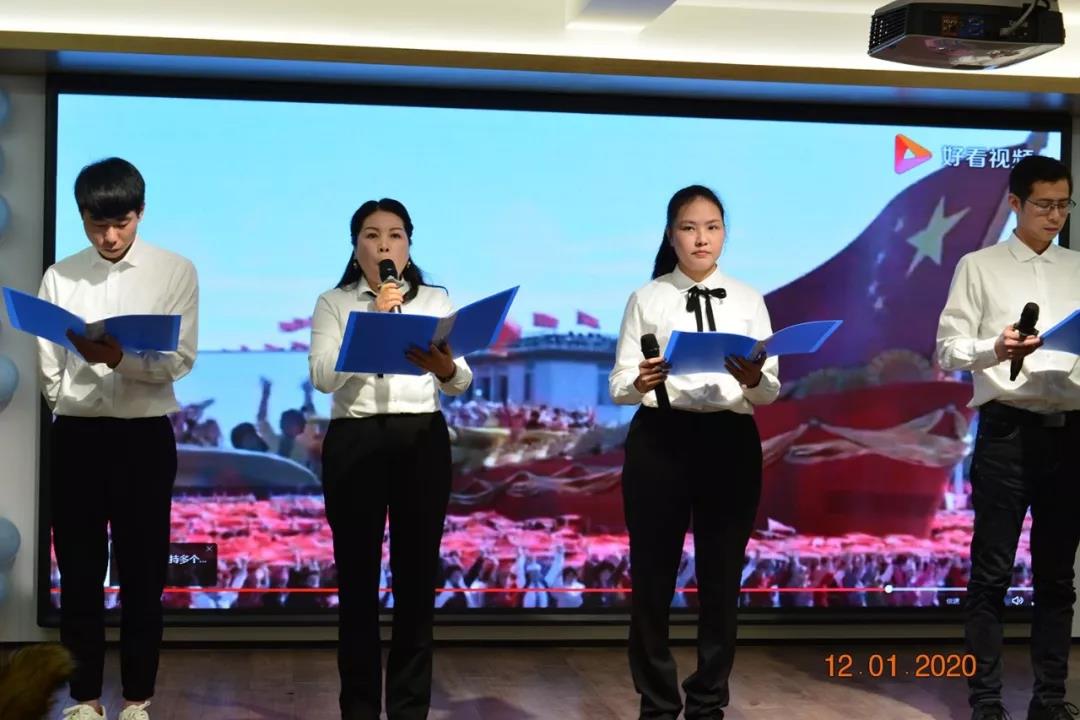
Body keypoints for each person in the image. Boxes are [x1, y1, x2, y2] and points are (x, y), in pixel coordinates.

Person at [609, 184, 779, 720]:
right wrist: (639, 379)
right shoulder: (648, 298)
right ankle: (657, 704)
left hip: (730, 441)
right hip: (661, 439)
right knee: (652, 579)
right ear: (670, 236)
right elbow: (618, 385)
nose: (701, 238)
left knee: (722, 580)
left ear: (725, 233)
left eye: (712, 227)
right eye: (689, 227)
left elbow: (770, 390)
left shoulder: (749, 299)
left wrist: (753, 378)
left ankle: (708, 702)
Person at [38, 158, 199, 720]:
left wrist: (119, 360)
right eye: (96, 224)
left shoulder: (174, 271)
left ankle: (136, 699)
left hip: (143, 438)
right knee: (79, 573)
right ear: (81, 217)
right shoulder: (60, 276)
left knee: (143, 573)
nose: (109, 236)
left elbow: (179, 360)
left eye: (120, 223)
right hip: (77, 436)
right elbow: (49, 364)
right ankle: (84, 700)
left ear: (141, 213)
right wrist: (68, 402)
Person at [309, 198, 472, 720]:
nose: (384, 245)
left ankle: (408, 708)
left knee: (416, 583)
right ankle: (358, 708)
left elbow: (462, 380)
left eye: (395, 235)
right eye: (372, 236)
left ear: (408, 245)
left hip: (421, 438)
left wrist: (445, 368)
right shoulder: (334, 302)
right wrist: (371, 324)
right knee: (357, 585)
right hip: (355, 441)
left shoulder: (435, 300)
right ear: (356, 247)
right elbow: (321, 377)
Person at [936, 155, 1080, 720]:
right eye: (1044, 204)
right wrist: (995, 348)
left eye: (1064, 204)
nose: (1055, 215)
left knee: (1058, 578)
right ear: (1016, 203)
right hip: (1006, 432)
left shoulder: (1077, 266)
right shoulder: (979, 266)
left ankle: (1051, 700)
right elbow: (948, 350)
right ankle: (986, 700)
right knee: (991, 574)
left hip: (1070, 435)